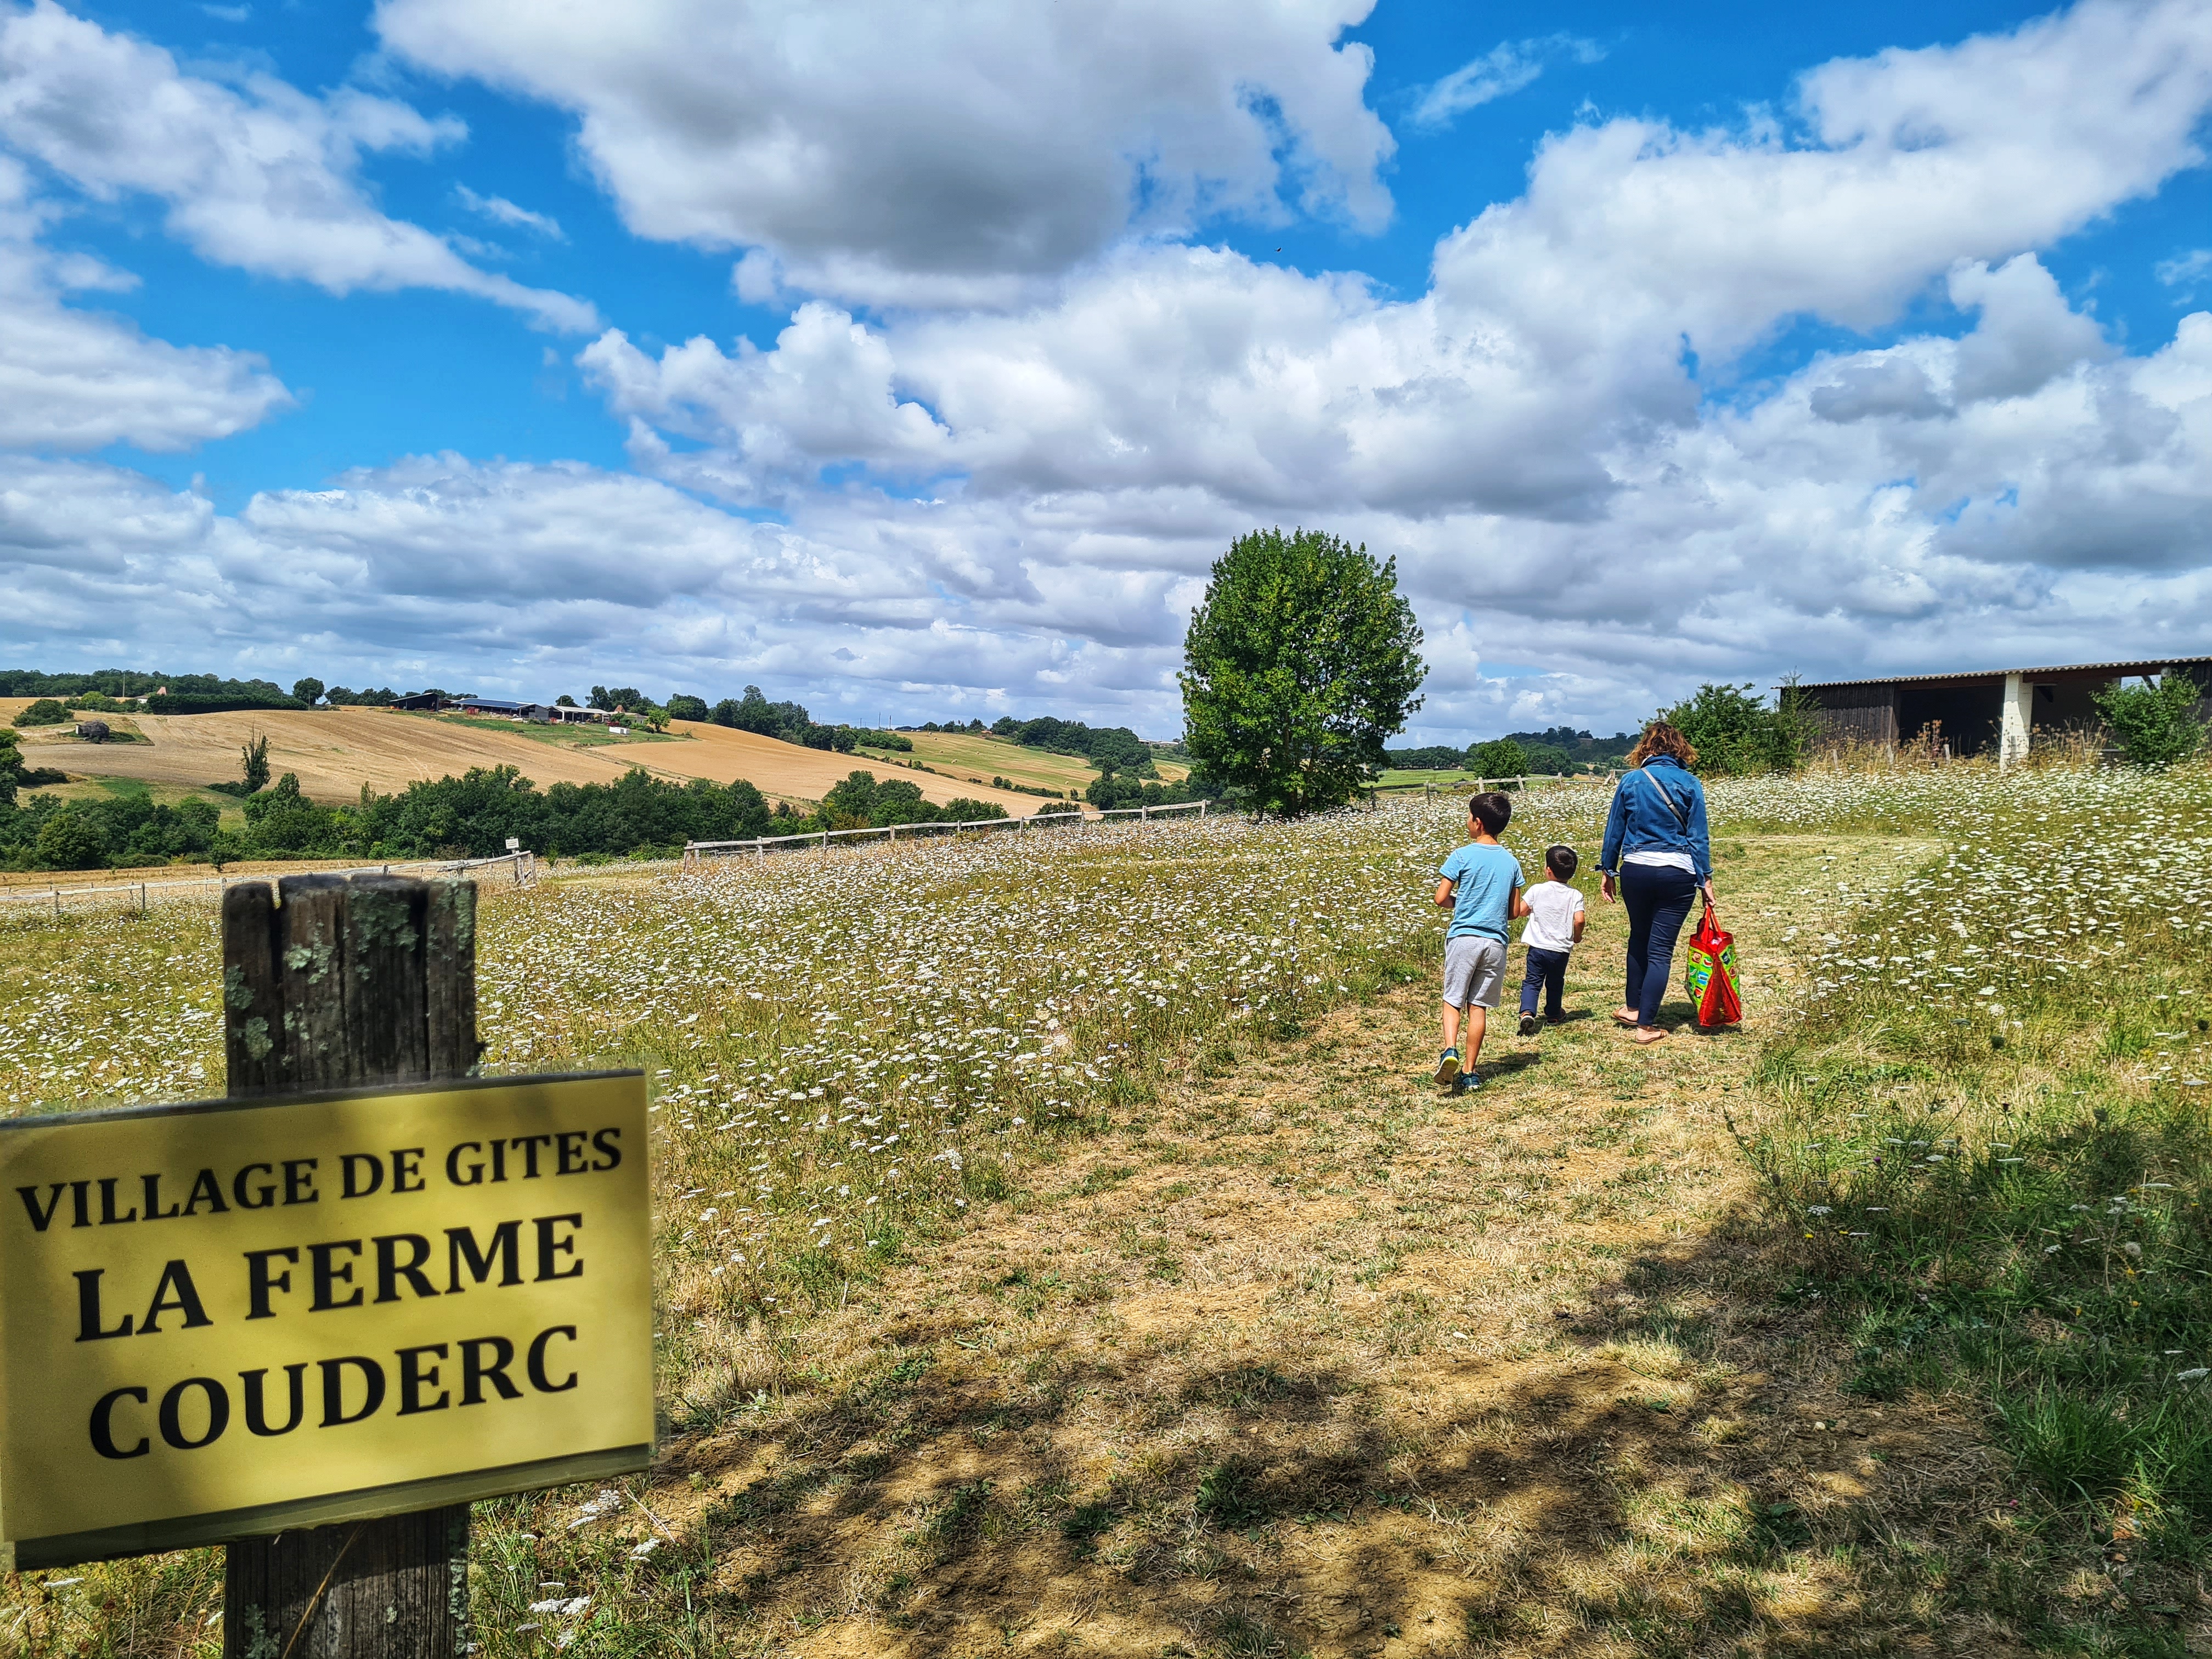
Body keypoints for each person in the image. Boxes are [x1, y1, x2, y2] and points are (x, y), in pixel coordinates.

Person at [1598, 720, 1713, 1045]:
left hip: (1636, 868)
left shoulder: (1631, 781)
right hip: (1678, 871)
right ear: (1679, 749)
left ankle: (1634, 1008)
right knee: (1660, 950)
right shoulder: (1691, 783)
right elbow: (1698, 837)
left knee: (1639, 938)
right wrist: (1705, 879)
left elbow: (1614, 831)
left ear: (1646, 748)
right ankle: (1646, 1026)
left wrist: (1609, 870)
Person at [1432, 792, 1528, 1091]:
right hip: (1495, 944)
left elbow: (1440, 898)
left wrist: (1459, 903)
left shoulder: (1461, 855)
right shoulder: (1512, 863)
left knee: (1453, 999)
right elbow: (1513, 912)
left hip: (1464, 938)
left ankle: (1450, 1050)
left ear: (1477, 822)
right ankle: (1471, 1072)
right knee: (1478, 1007)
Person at [1516, 844, 1585, 1036]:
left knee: (1532, 981)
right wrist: (1577, 937)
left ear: (1548, 870)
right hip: (1560, 950)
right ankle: (1554, 1014)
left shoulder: (1537, 890)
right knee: (1556, 982)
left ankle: (1527, 1012)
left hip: (1537, 948)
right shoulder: (1575, 895)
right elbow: (1580, 920)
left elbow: (1521, 911)